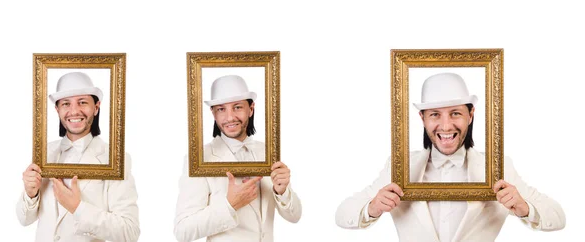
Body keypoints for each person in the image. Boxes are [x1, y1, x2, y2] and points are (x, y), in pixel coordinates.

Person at [335, 73, 565, 242]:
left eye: (455, 113)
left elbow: (558, 217)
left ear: (471, 115)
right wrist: (372, 208)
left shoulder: (496, 167)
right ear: (422, 118)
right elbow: (342, 214)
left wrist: (524, 208)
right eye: (435, 114)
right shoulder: (399, 167)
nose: (446, 126)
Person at [174, 75, 302, 242]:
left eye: (237, 107)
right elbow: (183, 230)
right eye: (221, 109)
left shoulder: (268, 152)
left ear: (251, 109)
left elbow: (295, 216)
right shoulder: (200, 159)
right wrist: (229, 205)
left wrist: (283, 191)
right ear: (213, 113)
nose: (229, 117)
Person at [16, 72, 140, 242]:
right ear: (57, 109)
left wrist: (77, 208)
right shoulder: (44, 153)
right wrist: (31, 194)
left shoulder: (115, 159)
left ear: (96, 107)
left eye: (82, 102)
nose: (74, 111)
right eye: (66, 103)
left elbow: (129, 232)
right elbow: (24, 219)